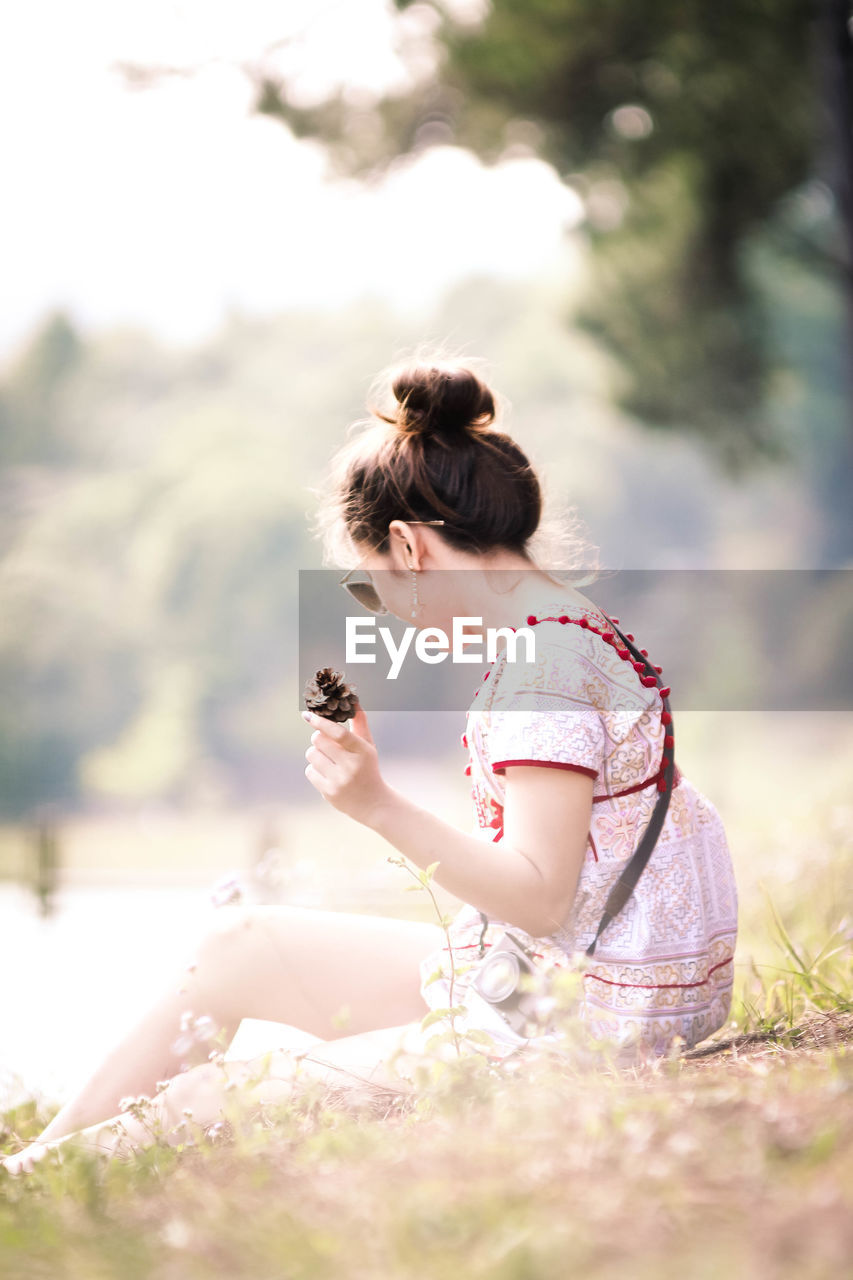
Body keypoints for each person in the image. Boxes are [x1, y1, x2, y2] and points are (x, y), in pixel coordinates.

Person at [2, 359, 738, 1175]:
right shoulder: (568, 632)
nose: (384, 613)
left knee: (201, 1102)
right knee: (235, 944)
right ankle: (32, 1162)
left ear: (406, 545)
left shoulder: (544, 668)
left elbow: (539, 893)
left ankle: (31, 1189)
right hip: (558, 984)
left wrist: (375, 803)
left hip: (573, 1020)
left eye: (371, 587)